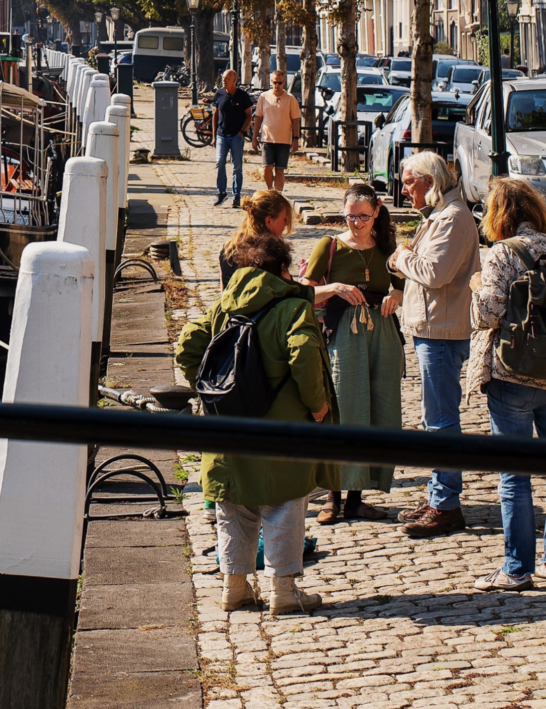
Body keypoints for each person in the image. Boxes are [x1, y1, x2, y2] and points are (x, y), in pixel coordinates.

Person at [176, 232, 338, 614]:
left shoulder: (224, 305)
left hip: (227, 423)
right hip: (280, 429)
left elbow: (188, 344)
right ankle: (283, 591)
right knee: (284, 504)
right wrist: (317, 405)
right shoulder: (293, 308)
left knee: (234, 504)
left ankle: (235, 588)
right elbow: (303, 354)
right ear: (283, 269)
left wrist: (205, 389)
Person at [387, 151, 479, 538]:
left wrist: (401, 257)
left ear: (431, 180)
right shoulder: (440, 215)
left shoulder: (454, 218)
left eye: (409, 181)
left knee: (441, 422)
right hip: (432, 329)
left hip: (442, 332)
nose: (403, 187)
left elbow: (435, 273)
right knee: (434, 419)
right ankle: (438, 496)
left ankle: (446, 505)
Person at [298, 182, 403, 524]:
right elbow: (304, 292)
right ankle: (332, 496)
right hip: (342, 333)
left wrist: (396, 295)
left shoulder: (388, 246)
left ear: (376, 213)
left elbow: (402, 282)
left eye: (362, 216)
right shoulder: (329, 246)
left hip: (381, 333)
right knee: (343, 409)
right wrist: (337, 287)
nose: (355, 223)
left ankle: (357, 498)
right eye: (350, 216)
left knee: (376, 408)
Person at [468, 179, 546, 591]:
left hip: (512, 372)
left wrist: (476, 287)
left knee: (515, 474)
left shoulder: (501, 253)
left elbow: (489, 313)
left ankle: (518, 568)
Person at [218, 190, 295, 289]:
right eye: (285, 219)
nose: (286, 224)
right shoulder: (273, 254)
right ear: (269, 221)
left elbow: (223, 292)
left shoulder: (228, 248)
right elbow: (292, 294)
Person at [252, 69, 302, 192]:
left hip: (284, 140)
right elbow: (258, 117)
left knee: (280, 169)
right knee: (266, 168)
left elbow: (295, 120)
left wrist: (296, 139)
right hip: (267, 138)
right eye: (274, 82)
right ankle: (270, 190)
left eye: (279, 83)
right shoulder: (264, 97)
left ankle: (278, 194)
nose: (277, 85)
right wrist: (254, 137)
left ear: (283, 82)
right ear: (271, 82)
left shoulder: (290, 99)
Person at [213, 69, 254, 209]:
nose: (224, 80)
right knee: (219, 163)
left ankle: (236, 195)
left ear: (234, 80)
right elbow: (216, 114)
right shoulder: (219, 94)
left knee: (236, 166)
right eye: (223, 78)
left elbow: (249, 115)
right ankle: (221, 192)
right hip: (221, 134)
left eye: (227, 78)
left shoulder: (242, 96)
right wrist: (214, 135)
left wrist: (242, 131)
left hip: (237, 135)